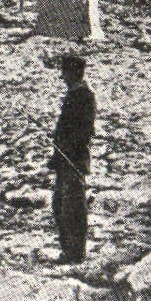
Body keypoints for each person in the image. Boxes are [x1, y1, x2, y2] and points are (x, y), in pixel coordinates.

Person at [49, 52, 96, 264]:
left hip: (74, 160)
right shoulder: (74, 95)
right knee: (59, 205)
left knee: (73, 208)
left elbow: (83, 131)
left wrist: (68, 149)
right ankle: (68, 250)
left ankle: (75, 253)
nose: (63, 78)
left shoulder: (84, 97)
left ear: (74, 73)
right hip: (64, 159)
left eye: (66, 73)